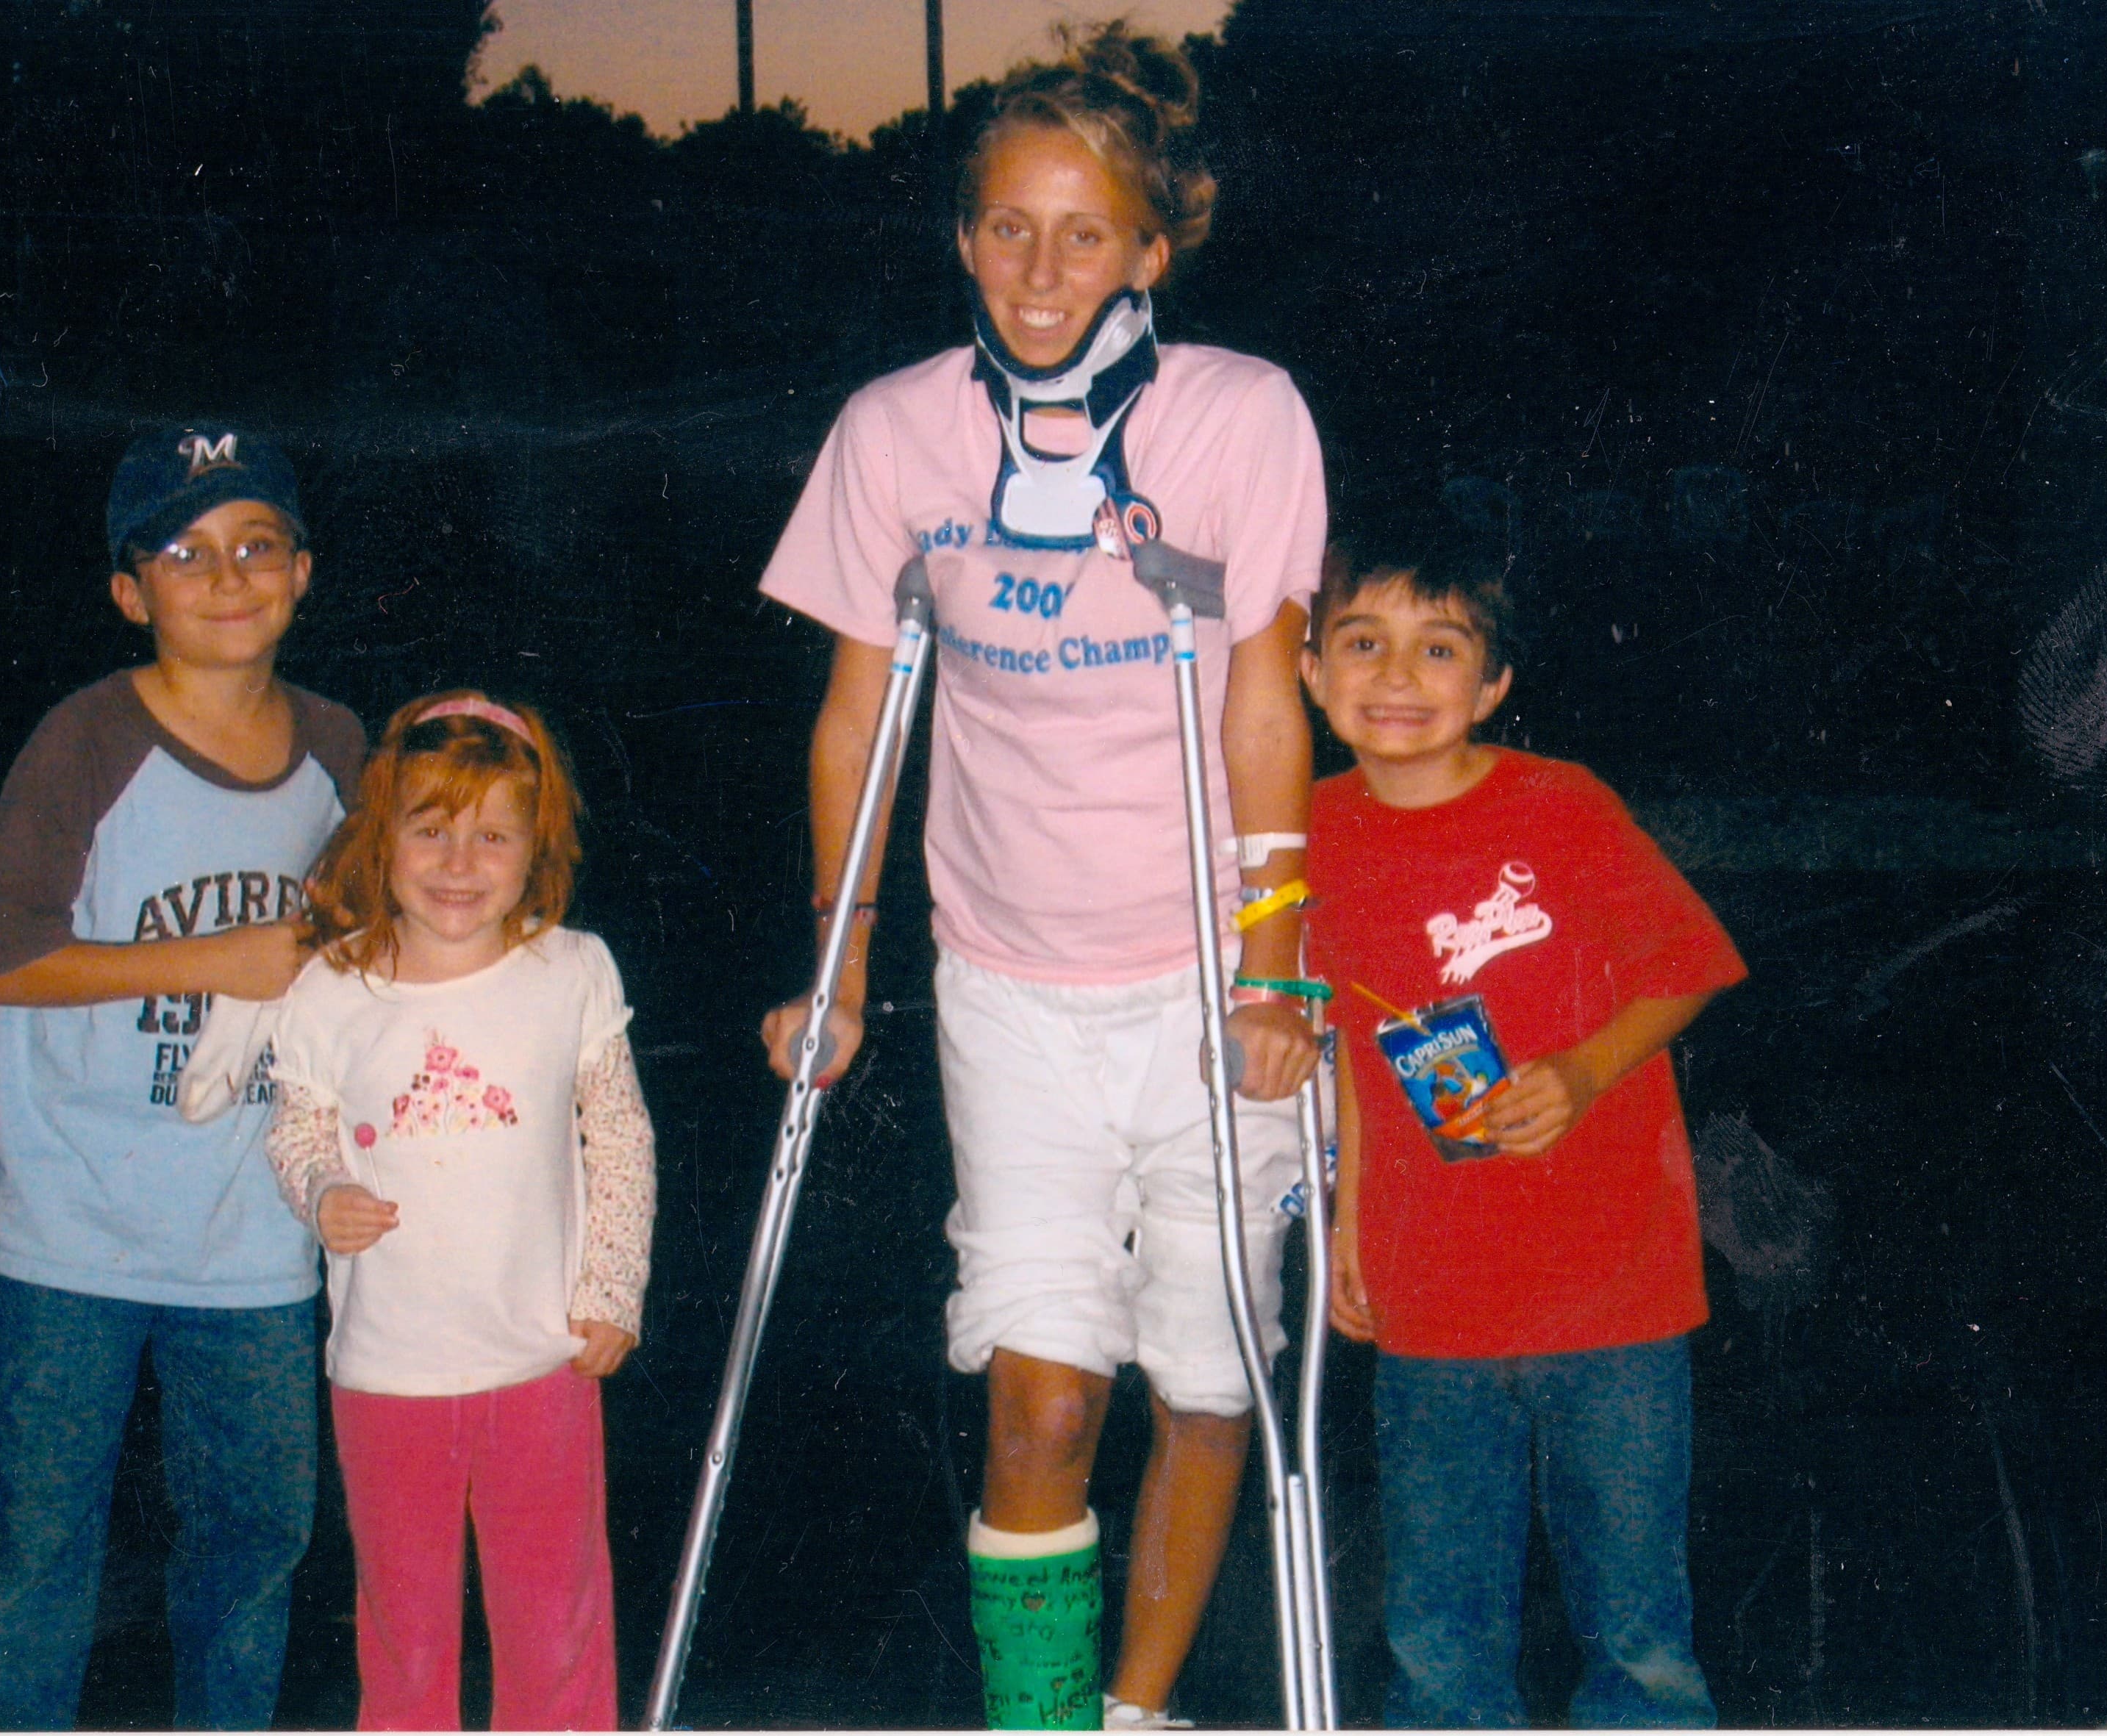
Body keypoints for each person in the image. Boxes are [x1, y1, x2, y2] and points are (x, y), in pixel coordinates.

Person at [755, 24, 1327, 1729]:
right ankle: (1035, 1718)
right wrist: (839, 965)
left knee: (1210, 1381)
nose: (1038, 269)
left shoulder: (1238, 418)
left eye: (1085, 234)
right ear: (961, 234)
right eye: (1006, 225)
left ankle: (1130, 1712)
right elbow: (855, 721)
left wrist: (1277, 961)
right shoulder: (895, 434)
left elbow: (1262, 702)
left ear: (1154, 249)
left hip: (1207, 980)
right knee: (1039, 1399)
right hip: (1007, 980)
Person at [0, 426, 365, 1729]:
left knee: (251, 1555)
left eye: (257, 546)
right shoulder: (85, 738)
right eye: (185, 553)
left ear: (303, 572)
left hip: (256, 1245)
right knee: (29, 1564)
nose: (227, 577)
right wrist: (214, 957)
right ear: (133, 594)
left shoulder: (345, 747)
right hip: (70, 1234)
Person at [1298, 517, 1748, 1729]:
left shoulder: (1560, 805)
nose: (1396, 678)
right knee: (1438, 1636)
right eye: (1362, 642)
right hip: (1431, 1288)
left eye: (1438, 649)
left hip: (1613, 1280)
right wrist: (1347, 1222)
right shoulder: (1305, 832)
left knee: (1638, 1633)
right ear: (1308, 669)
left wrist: (1585, 1071)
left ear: (1492, 683)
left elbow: (1691, 964)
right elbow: (1343, 1042)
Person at [251, 690, 653, 1732]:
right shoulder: (332, 990)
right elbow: (295, 1133)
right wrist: (324, 1191)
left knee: (553, 1620)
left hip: (541, 1360)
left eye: (491, 836)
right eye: (430, 831)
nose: (459, 863)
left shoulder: (570, 969)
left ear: (535, 849)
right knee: (407, 1626)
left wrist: (612, 1284)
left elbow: (616, 1135)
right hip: (390, 1370)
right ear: (383, 838)